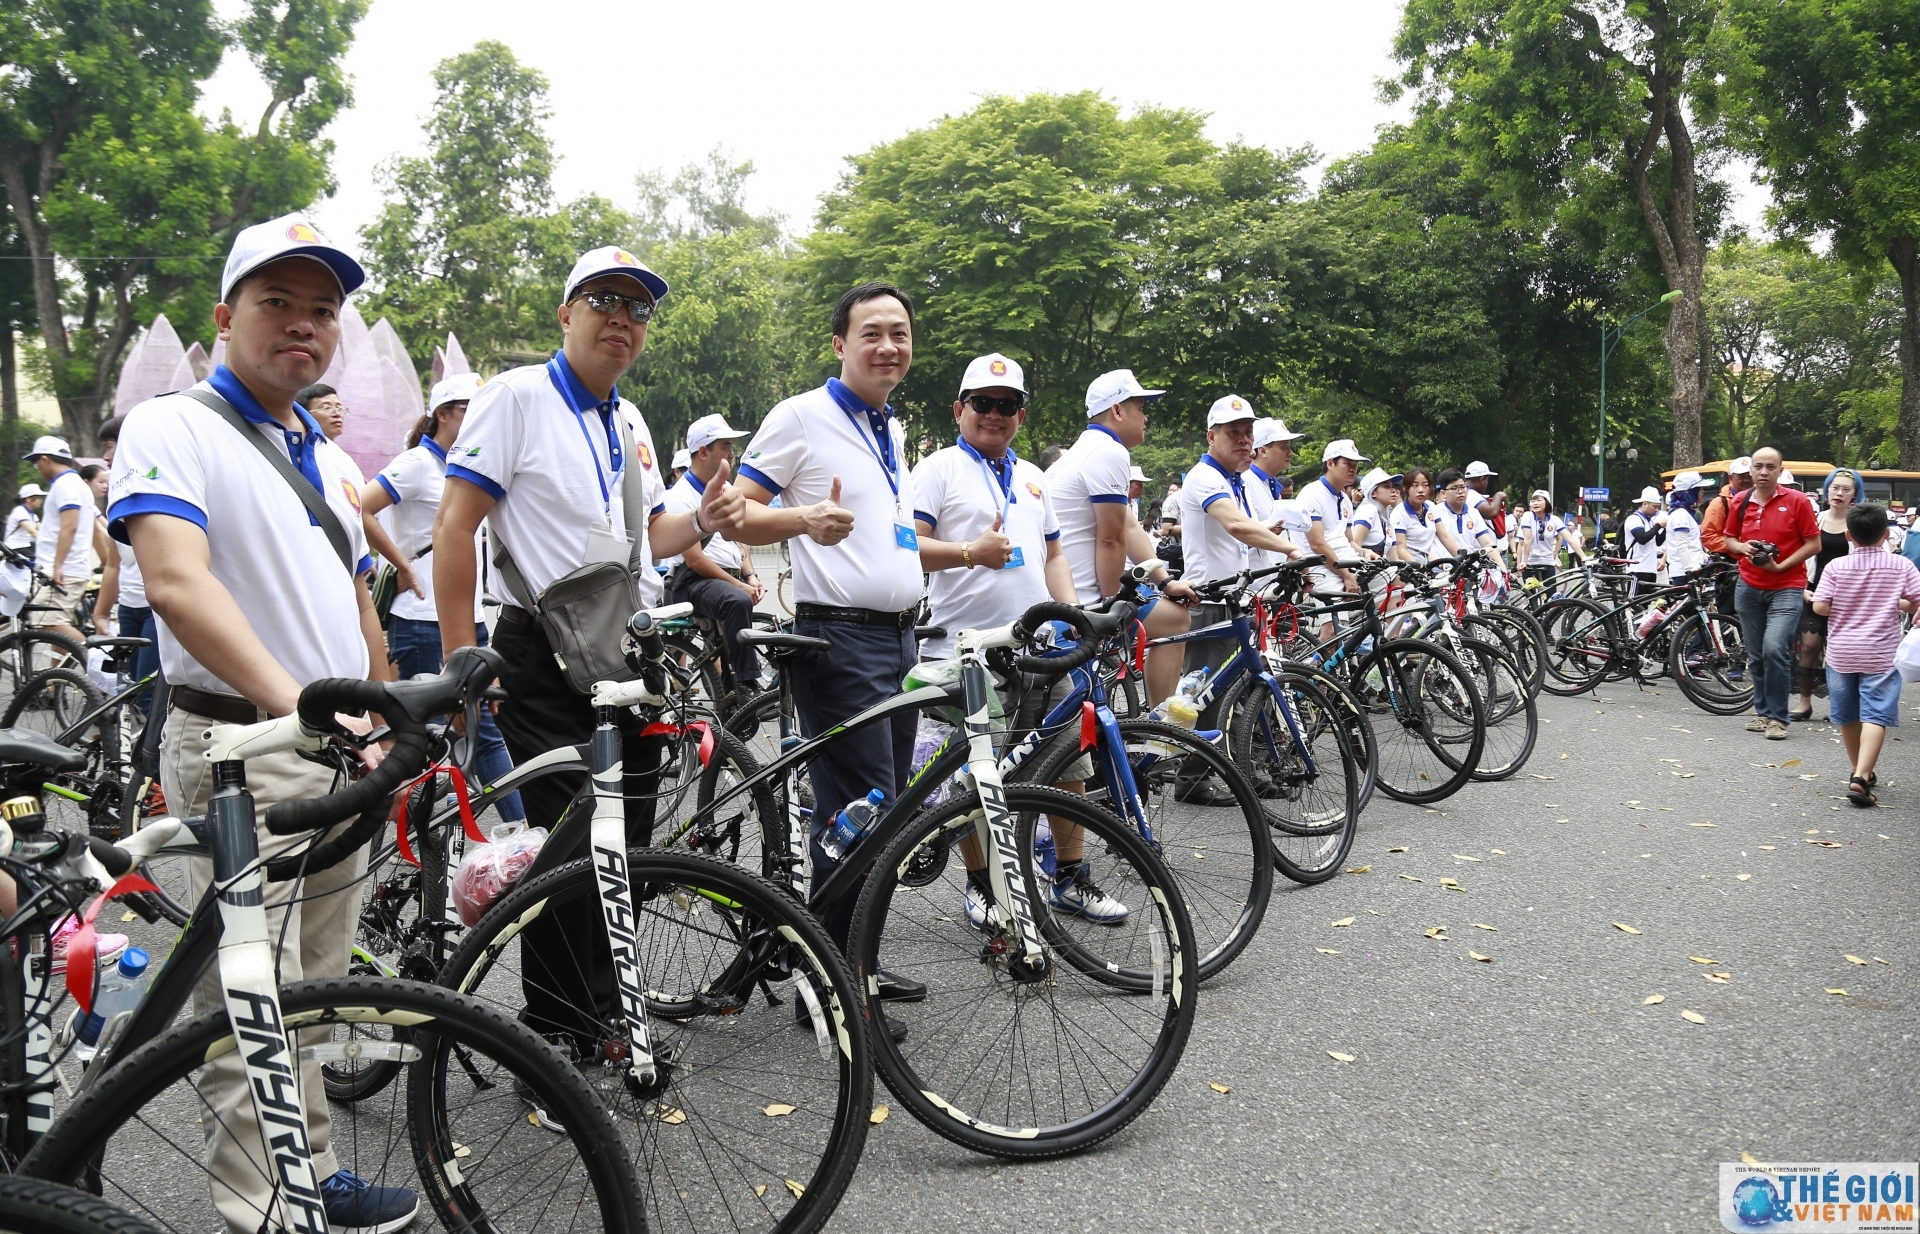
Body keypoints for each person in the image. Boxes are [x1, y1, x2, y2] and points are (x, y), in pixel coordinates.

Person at [107, 212, 415, 1233]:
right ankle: (262, 1212)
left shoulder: (322, 453)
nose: (303, 324)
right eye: (277, 301)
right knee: (251, 1004)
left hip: (334, 749)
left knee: (315, 990)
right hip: (240, 748)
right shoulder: (171, 426)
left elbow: (359, 595)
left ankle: (310, 1173)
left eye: (322, 310)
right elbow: (175, 586)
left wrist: (381, 714)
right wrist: (304, 707)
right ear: (225, 315)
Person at [433, 245, 716, 1077]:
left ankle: (603, 1012)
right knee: (569, 853)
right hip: (539, 649)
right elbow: (455, 528)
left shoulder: (629, 421)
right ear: (567, 313)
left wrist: (705, 519)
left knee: (620, 845)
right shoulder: (515, 398)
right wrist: (460, 659)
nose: (621, 319)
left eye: (637, 308)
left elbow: (648, 538)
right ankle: (555, 1033)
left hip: (622, 652)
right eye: (603, 300)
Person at [701, 282, 929, 1026]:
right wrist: (805, 518)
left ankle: (848, 962)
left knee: (881, 811)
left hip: (896, 636)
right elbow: (739, 516)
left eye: (898, 332)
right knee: (866, 810)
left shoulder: (887, 426)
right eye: (871, 333)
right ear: (840, 344)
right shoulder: (801, 415)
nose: (887, 345)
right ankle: (830, 987)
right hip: (838, 637)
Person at [910, 353, 1124, 924]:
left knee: (1067, 767)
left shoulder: (1033, 476)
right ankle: (981, 887)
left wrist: (1071, 614)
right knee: (972, 777)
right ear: (960, 409)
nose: (994, 414)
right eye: (982, 402)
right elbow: (907, 546)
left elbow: (1054, 552)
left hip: (1042, 649)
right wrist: (968, 554)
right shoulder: (936, 470)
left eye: (1007, 406)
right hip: (969, 652)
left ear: (1020, 416)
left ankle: (1070, 878)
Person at [359, 371, 523, 824]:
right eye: (469, 408)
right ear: (445, 413)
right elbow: (362, 506)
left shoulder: (467, 463)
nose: (477, 418)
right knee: (457, 730)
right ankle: (512, 830)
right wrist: (403, 562)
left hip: (467, 618)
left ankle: (502, 830)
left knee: (477, 727)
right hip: (421, 619)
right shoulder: (416, 463)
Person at [1042, 368, 1197, 705]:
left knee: (1175, 617)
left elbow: (1128, 526)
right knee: (1177, 620)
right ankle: (1162, 727)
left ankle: (1159, 725)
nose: (1145, 418)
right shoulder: (1108, 452)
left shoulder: (1083, 451)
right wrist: (1111, 608)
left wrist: (1165, 581)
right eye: (1140, 408)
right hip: (1081, 599)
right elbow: (1110, 540)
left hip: (1063, 593)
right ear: (1117, 410)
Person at [1174, 396, 1300, 744]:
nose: (1244, 440)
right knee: (1203, 695)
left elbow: (1243, 530)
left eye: (1248, 432)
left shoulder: (1235, 479)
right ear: (1211, 437)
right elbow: (1236, 525)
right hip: (1210, 601)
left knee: (1237, 690)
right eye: (1233, 433)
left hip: (1235, 599)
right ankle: (1191, 775)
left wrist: (1266, 536)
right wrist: (1290, 548)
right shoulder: (1205, 477)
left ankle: (1242, 767)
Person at [1810, 501, 1920, 806]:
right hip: (1881, 652)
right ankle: (1861, 775)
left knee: (1847, 713)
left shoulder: (1836, 567)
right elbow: (1916, 600)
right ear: (1886, 534)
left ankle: (1859, 770)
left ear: (1848, 535)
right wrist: (1902, 605)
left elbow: (1820, 606)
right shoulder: (1901, 566)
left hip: (1842, 652)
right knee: (1875, 713)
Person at [658, 413, 766, 698]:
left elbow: (740, 538)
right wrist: (740, 586)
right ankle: (746, 685)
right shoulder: (681, 497)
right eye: (726, 447)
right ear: (704, 451)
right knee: (736, 600)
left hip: (722, 580)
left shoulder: (726, 489)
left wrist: (750, 575)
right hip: (692, 581)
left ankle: (730, 694)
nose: (732, 454)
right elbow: (694, 559)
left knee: (739, 601)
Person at [1721, 446, 1821, 739]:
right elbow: (1729, 539)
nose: (1763, 472)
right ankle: (1762, 713)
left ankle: (1779, 717)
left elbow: (1813, 544)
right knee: (1756, 654)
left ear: (1780, 470)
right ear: (1750, 470)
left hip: (1787, 587)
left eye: (1770, 467)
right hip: (1748, 586)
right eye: (1758, 466)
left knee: (1774, 648)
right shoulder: (1739, 501)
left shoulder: (1797, 501)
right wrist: (1742, 548)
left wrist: (1781, 566)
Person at [1792, 468, 1859, 722]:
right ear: (1827, 490)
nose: (1839, 493)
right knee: (1809, 647)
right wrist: (1803, 589)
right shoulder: (1814, 519)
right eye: (1835, 487)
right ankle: (1804, 703)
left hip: (1848, 597)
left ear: (1854, 494)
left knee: (1842, 652)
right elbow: (1800, 556)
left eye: (1846, 489)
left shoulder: (1857, 522)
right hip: (1814, 591)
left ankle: (1841, 706)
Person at [23, 436, 92, 647]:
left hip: (64, 570)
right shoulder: (77, 484)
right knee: (58, 625)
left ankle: (102, 661)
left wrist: (58, 565)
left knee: (46, 621)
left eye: (36, 463)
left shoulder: (64, 485)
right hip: (71, 567)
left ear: (45, 459)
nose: (37, 469)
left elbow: (69, 525)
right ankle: (56, 680)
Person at [1301, 440, 1367, 593]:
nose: (1353, 469)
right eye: (1348, 464)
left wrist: (1364, 552)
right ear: (1330, 464)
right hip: (1321, 567)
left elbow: (1350, 540)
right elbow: (1317, 545)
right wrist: (1347, 575)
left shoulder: (1345, 499)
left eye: (1355, 465)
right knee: (1338, 616)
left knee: (1397, 579)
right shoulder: (1312, 493)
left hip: (1350, 562)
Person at [1388, 465, 1460, 566]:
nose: (1421, 490)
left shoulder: (1431, 506)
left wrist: (1460, 557)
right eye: (1415, 485)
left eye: (1425, 485)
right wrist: (1419, 568)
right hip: (1408, 562)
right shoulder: (1399, 513)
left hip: (1426, 558)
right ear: (1405, 488)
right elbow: (1400, 549)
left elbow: (1445, 536)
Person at [1433, 468, 1500, 562]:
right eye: (1454, 488)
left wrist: (1503, 569)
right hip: (1442, 567)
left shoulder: (1473, 513)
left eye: (1463, 487)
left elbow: (1487, 542)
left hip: (1467, 568)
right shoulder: (1434, 512)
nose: (1460, 491)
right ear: (1443, 493)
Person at [1661, 472, 1708, 582]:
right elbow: (1681, 546)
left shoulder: (1686, 513)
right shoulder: (1681, 514)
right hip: (1685, 573)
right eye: (1699, 488)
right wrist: (1690, 570)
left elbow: (1691, 543)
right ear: (1690, 491)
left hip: (1690, 570)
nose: (1703, 492)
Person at [1516, 491, 1569, 584]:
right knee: (1532, 595)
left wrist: (1554, 554)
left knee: (1551, 594)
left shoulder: (1553, 519)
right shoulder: (1527, 517)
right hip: (1530, 562)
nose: (1535, 503)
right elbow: (1522, 543)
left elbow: (1561, 538)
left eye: (1539, 500)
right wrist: (1519, 562)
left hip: (1547, 562)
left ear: (1547, 502)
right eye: (1533, 501)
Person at [1349, 467, 1401, 558]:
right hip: (1362, 570)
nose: (1393, 490)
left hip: (1381, 570)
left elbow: (1394, 559)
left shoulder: (1386, 518)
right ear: (1373, 493)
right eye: (1386, 486)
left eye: (1392, 486)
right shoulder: (1368, 510)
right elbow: (1353, 549)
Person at [1622, 487, 1666, 592]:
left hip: (1650, 567)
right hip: (1637, 567)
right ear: (1645, 504)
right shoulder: (1634, 519)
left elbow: (1657, 541)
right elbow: (1642, 538)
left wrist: (1665, 529)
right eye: (1654, 507)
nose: (1656, 510)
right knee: (1635, 603)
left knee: (1646, 601)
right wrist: (1658, 526)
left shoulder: (1649, 521)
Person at [1464, 461, 1506, 538]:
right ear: (1482, 479)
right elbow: (1491, 512)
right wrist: (1498, 496)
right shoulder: (1471, 494)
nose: (1487, 483)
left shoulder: (1465, 493)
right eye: (1487, 480)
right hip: (1479, 546)